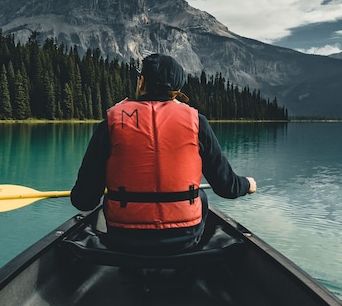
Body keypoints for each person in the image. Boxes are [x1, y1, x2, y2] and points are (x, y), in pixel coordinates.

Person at [71, 53, 256, 253]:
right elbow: (227, 187)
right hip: (184, 238)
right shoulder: (197, 122)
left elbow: (84, 200)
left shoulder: (112, 122)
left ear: (142, 82)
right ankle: (185, 267)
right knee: (200, 196)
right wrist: (247, 184)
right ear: (177, 90)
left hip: (124, 237)